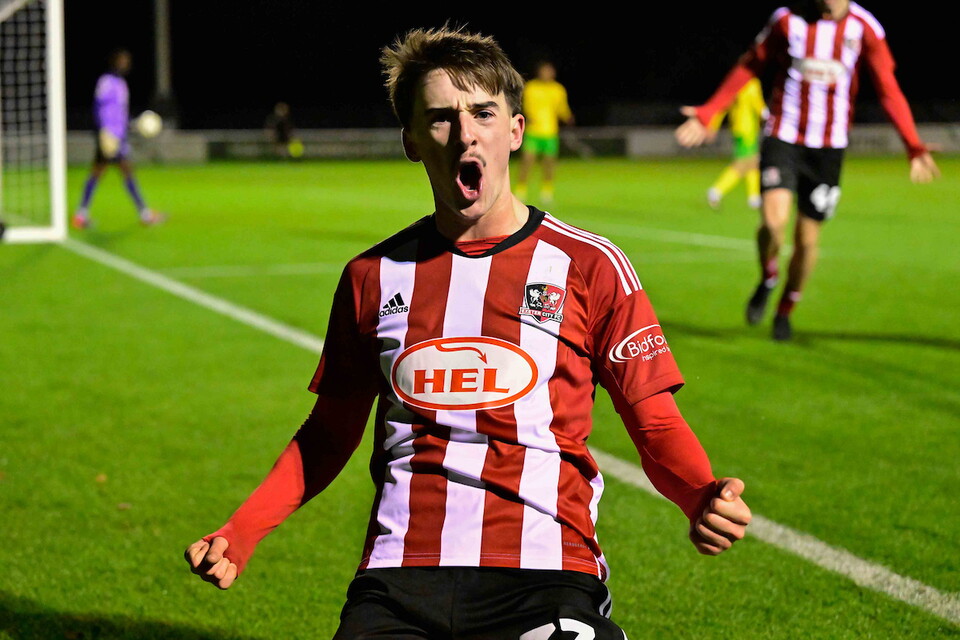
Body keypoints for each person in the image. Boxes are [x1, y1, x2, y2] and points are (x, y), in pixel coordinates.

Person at [185, 27, 751, 639]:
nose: (465, 133)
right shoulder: (371, 276)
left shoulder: (589, 266)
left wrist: (700, 494)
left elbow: (654, 420)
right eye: (440, 118)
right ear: (411, 140)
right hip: (399, 578)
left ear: (514, 130)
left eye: (482, 112)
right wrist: (241, 532)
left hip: (547, 572)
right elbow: (328, 435)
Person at [675, 0, 939, 340]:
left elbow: (888, 88)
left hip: (828, 150)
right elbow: (750, 65)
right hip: (783, 136)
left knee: (807, 240)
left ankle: (785, 309)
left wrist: (913, 144)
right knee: (774, 222)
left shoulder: (864, 27)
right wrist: (711, 109)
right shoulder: (786, 19)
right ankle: (768, 275)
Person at [73, 49, 164, 229]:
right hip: (109, 136)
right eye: (122, 60)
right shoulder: (106, 81)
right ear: (114, 61)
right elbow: (99, 106)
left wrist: (129, 123)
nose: (125, 63)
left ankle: (81, 215)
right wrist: (103, 132)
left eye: (127, 61)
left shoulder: (121, 83)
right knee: (117, 172)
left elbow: (119, 111)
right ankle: (145, 214)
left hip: (118, 135)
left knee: (104, 172)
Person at [514, 61, 574, 204]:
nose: (547, 74)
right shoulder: (531, 87)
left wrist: (568, 117)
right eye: (544, 71)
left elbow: (561, 108)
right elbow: (525, 105)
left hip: (550, 133)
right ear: (540, 72)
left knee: (549, 164)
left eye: (549, 71)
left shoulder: (558, 89)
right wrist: (530, 116)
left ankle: (547, 191)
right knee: (527, 161)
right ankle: (521, 189)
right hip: (533, 132)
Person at [706, 77, 767, 211]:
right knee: (742, 164)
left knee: (753, 162)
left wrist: (713, 125)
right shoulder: (751, 83)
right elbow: (757, 104)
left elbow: (722, 107)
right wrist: (769, 116)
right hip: (748, 129)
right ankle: (716, 191)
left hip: (738, 128)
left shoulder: (735, 84)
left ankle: (754, 197)